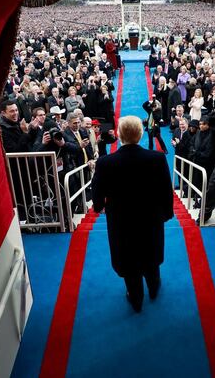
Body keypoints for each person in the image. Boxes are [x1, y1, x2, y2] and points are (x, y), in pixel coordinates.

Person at [90, 116, 174, 312]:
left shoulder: (105, 163)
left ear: (118, 135)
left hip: (121, 221)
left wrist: (98, 205)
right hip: (151, 219)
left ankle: (136, 298)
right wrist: (167, 213)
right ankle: (153, 287)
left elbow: (97, 191)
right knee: (151, 253)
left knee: (127, 258)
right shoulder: (157, 159)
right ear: (141, 133)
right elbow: (165, 189)